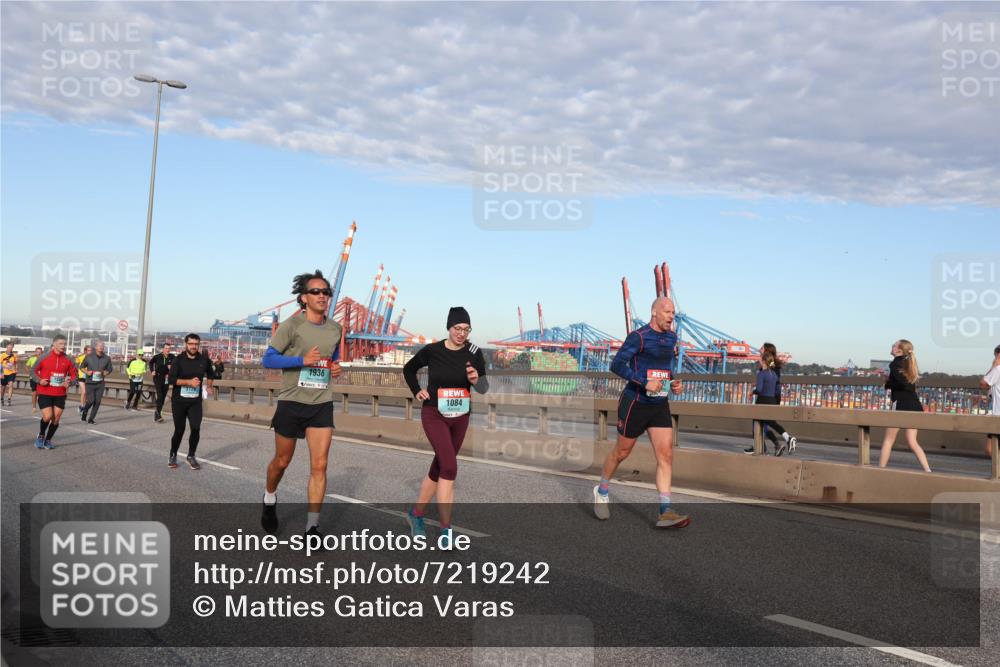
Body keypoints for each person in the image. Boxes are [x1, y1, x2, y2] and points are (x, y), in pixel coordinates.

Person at [260, 270, 343, 537]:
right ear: (304, 298)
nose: (322, 296)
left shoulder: (336, 329)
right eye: (316, 292)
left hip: (321, 403)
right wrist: (301, 361)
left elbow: (333, 359)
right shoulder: (292, 326)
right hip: (292, 401)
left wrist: (335, 368)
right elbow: (269, 359)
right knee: (282, 462)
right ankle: (269, 498)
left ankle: (312, 527)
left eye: (326, 292)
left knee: (320, 466)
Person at [595, 297, 687, 528]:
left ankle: (665, 511)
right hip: (635, 401)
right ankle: (602, 490)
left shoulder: (671, 338)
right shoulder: (638, 336)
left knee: (666, 456)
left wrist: (674, 382)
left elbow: (666, 368)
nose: (670, 316)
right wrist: (643, 382)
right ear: (654, 312)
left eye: (673, 313)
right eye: (667, 311)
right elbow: (616, 365)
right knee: (622, 453)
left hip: (659, 404)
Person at [402, 306, 488, 549]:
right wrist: (416, 390)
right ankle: (446, 530)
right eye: (457, 328)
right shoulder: (433, 350)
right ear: (449, 328)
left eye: (466, 329)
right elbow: (409, 369)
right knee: (449, 466)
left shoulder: (474, 352)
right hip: (434, 414)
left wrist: (475, 380)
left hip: (460, 416)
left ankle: (416, 514)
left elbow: (483, 387)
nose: (461, 333)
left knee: (440, 465)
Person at [878, 339, 932, 473]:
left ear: (899, 350)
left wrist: (887, 384)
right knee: (913, 442)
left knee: (888, 440)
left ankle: (880, 470)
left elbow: (904, 385)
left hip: (901, 404)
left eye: (894, 345)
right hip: (915, 405)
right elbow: (909, 385)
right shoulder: (908, 362)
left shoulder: (895, 363)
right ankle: (928, 470)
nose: (892, 345)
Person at [166, 334, 214, 469]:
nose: (193, 346)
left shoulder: (204, 360)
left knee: (196, 428)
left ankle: (191, 456)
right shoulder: (178, 360)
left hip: (195, 402)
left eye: (196, 344)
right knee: (179, 430)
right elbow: (171, 380)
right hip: (179, 401)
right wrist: (188, 382)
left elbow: (211, 374)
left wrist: (209, 386)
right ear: (186, 344)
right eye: (191, 344)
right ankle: (173, 454)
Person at [744, 342, 798, 456]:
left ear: (767, 351)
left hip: (767, 398)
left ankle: (769, 445)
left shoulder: (769, 367)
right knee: (765, 424)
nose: (760, 349)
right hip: (771, 398)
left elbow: (770, 381)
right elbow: (770, 379)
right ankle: (773, 445)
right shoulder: (772, 367)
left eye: (762, 348)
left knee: (762, 424)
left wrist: (755, 389)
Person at [30, 335, 78, 450]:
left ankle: (48, 440)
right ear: (54, 344)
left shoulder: (69, 359)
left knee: (56, 419)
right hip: (45, 391)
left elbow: (75, 376)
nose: (63, 346)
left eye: (64, 344)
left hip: (60, 393)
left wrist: (70, 382)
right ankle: (41, 435)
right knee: (47, 416)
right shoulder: (43, 357)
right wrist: (39, 380)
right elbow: (33, 371)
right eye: (61, 344)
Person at [80, 341, 113, 424]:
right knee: (91, 401)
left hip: (100, 383)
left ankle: (91, 419)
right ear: (96, 347)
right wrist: (87, 372)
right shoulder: (89, 356)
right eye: (99, 345)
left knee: (97, 401)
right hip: (90, 382)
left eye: (102, 346)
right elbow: (82, 367)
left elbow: (109, 369)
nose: (101, 347)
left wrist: (106, 372)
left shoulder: (107, 358)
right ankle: (85, 411)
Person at [980, 344, 1000, 458]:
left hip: (998, 416)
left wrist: (994, 366)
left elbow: (983, 383)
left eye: (995, 355)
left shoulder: (998, 369)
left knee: (990, 449)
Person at [150, 343, 175, 423]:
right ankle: (158, 414)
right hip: (158, 378)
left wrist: (172, 367)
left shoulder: (172, 357)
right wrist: (152, 371)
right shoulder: (157, 356)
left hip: (167, 379)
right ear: (163, 349)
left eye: (169, 348)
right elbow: (151, 362)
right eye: (166, 348)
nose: (168, 350)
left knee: (163, 397)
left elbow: (177, 364)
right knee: (160, 395)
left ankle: (157, 413)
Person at [26, 346, 43, 413]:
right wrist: (30, 373)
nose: (38, 353)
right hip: (33, 378)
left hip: (41, 378)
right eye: (37, 352)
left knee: (41, 393)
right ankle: (34, 407)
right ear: (35, 352)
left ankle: (42, 406)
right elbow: (27, 366)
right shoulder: (32, 358)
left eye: (40, 352)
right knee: (34, 393)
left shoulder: (43, 359)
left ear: (42, 353)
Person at [1, 341, 18, 406]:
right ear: (6, 347)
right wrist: (1, 373)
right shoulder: (2, 355)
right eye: (9, 347)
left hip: (12, 373)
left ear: (12, 348)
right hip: (4, 373)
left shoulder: (14, 355)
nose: (10, 348)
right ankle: (2, 398)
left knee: (11, 385)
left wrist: (16, 369)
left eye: (11, 347)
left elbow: (16, 363)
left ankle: (9, 400)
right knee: (3, 387)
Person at [75, 345, 91, 415]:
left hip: (89, 377)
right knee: (84, 392)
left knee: (86, 393)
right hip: (81, 376)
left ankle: (84, 405)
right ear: (85, 351)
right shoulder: (81, 357)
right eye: (88, 350)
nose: (90, 352)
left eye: (91, 350)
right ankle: (82, 406)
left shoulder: (92, 358)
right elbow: (75, 363)